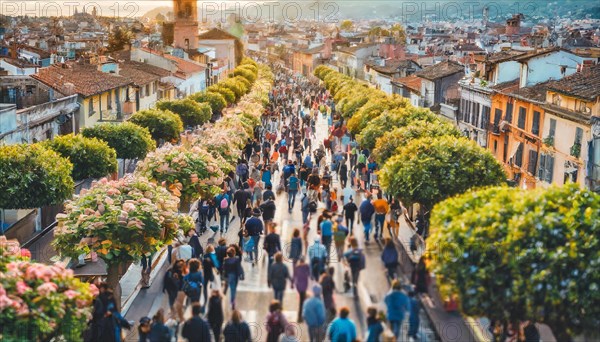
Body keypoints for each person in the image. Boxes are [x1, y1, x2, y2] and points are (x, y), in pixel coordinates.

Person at [293, 256, 310, 322]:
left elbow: (294, 276)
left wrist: (292, 284)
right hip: (304, 285)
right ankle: (300, 317)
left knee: (302, 300)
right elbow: (309, 274)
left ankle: (301, 316)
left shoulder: (297, 267)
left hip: (299, 286)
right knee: (302, 302)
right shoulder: (306, 266)